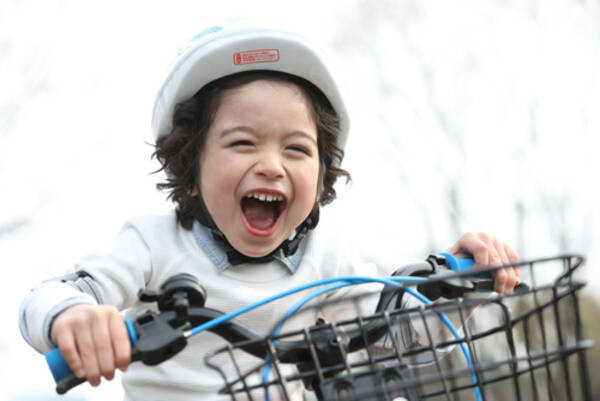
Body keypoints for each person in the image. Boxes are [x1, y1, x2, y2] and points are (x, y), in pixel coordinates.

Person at [19, 20, 520, 401]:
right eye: (242, 143)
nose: (271, 166)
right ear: (190, 164)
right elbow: (49, 296)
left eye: (296, 150)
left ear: (322, 176)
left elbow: (401, 329)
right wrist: (75, 317)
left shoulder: (331, 263)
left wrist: (459, 283)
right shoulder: (153, 244)